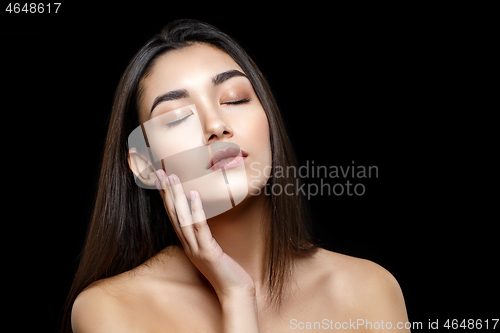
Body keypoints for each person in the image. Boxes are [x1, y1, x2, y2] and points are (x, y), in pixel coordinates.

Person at [62, 19, 409, 332]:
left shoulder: (368, 291)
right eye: (176, 118)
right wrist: (236, 296)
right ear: (145, 166)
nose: (215, 126)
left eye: (235, 99)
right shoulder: (112, 310)